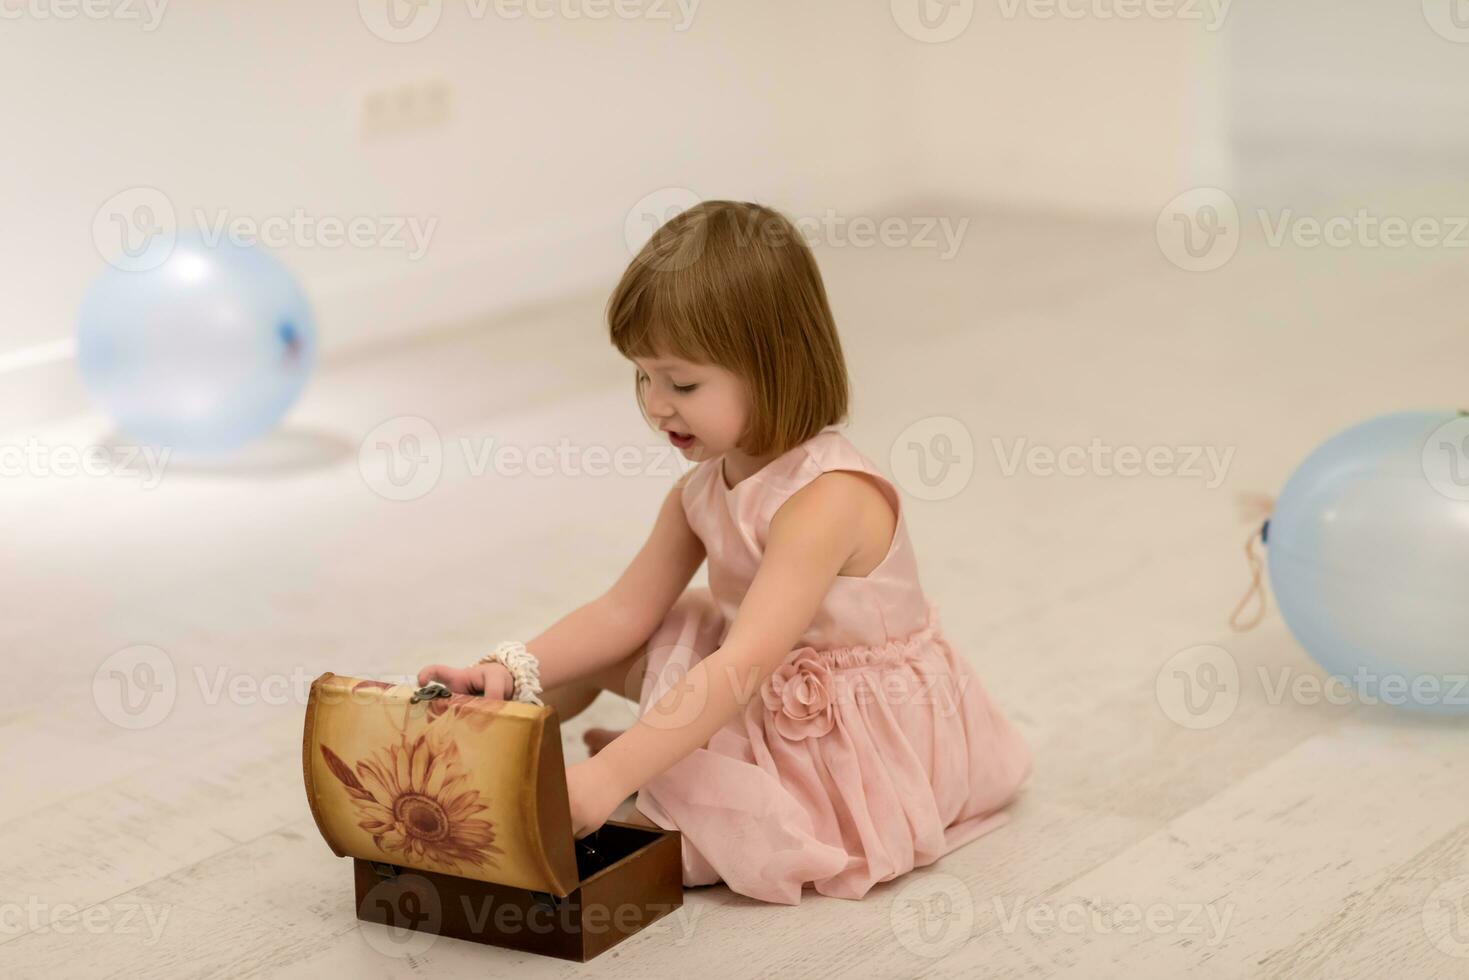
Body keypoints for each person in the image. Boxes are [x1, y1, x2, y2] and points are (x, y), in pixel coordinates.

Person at [418, 200, 1032, 905]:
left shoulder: (826, 499)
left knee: (707, 824)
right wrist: (504, 665)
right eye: (642, 377)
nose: (656, 405)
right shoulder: (701, 491)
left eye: (681, 383)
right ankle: (488, 748)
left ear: (773, 367)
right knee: (613, 646)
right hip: (755, 665)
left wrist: (615, 773)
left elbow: (742, 665)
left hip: (837, 716)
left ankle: (583, 794)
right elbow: (622, 611)